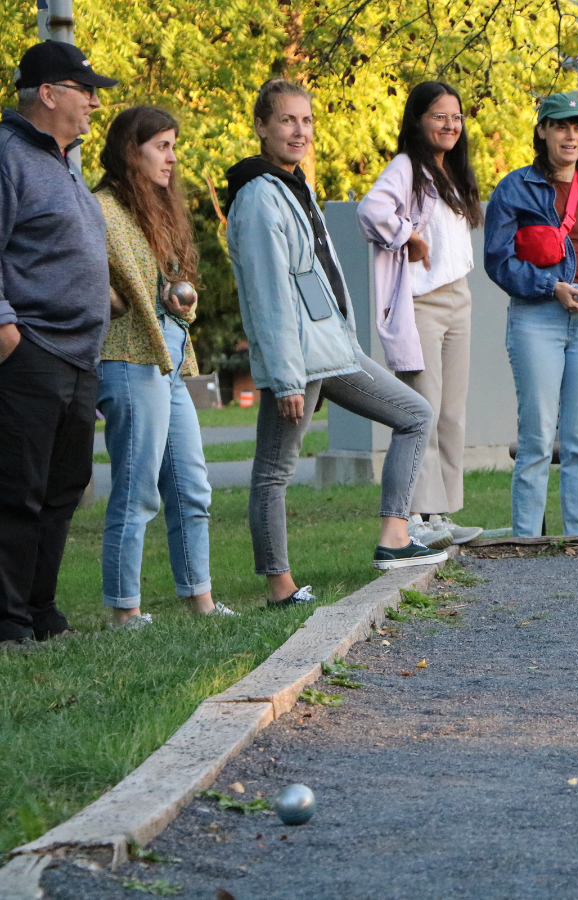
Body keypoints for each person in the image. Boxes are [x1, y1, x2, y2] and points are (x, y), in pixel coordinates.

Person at [225, 78, 442, 606]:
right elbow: (269, 294)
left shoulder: (292, 185)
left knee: (414, 414)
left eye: (306, 121)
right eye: (286, 120)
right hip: (299, 358)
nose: (299, 131)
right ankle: (280, 589)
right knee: (274, 471)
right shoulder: (258, 197)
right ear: (261, 127)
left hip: (332, 349)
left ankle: (395, 538)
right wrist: (285, 377)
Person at [93, 106, 235, 629]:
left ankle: (200, 599)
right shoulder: (100, 209)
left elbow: (169, 283)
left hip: (169, 355)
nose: (172, 158)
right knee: (137, 489)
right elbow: (80, 276)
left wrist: (181, 295)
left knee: (192, 485)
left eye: (173, 146)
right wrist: (116, 299)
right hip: (128, 356)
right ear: (131, 150)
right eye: (162, 147)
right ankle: (124, 610)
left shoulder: (158, 210)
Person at [0, 41, 118, 645]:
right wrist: (5, 327)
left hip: (78, 355)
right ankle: (8, 621)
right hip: (32, 349)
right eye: (85, 90)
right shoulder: (8, 155)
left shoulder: (66, 160)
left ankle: (40, 611)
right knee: (17, 492)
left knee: (61, 491)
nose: (95, 102)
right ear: (47, 94)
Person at [484, 93, 578, 537]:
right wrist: (553, 286)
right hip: (537, 319)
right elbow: (499, 261)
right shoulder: (514, 188)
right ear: (542, 131)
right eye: (562, 126)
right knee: (536, 439)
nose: (571, 136)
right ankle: (527, 542)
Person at [357, 81, 484, 549]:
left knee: (451, 412)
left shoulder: (453, 172)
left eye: (456, 116)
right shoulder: (406, 167)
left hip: (459, 297)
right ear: (418, 120)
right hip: (423, 303)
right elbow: (371, 210)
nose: (450, 125)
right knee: (422, 409)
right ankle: (415, 518)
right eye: (439, 116)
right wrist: (408, 236)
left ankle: (441, 513)